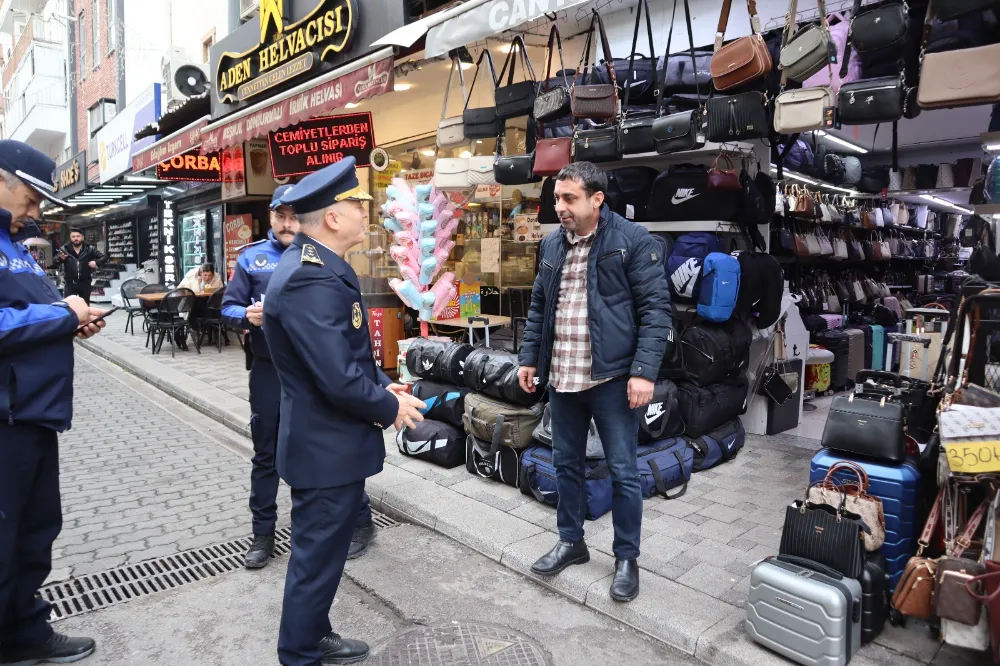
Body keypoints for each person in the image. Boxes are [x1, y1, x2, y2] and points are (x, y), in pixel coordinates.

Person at [263, 157, 426, 666]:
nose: (365, 212)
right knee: (316, 558)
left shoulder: (320, 267)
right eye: (357, 204)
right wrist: (389, 406)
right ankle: (300, 652)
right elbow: (335, 377)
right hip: (325, 447)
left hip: (328, 444)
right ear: (333, 217)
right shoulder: (310, 278)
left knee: (325, 554)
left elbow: (345, 353)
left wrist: (381, 382)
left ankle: (312, 635)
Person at [517, 162, 672, 603]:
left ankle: (626, 558)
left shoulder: (632, 241)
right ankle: (571, 541)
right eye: (557, 198)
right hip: (563, 374)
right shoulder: (552, 244)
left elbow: (657, 310)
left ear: (597, 199)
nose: (560, 206)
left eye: (570, 198)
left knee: (622, 471)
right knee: (565, 463)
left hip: (612, 378)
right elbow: (539, 307)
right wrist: (529, 359)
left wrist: (643, 372)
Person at [221, 186, 379, 570]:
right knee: (267, 451)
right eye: (281, 216)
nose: (288, 223)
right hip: (269, 370)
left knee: (337, 444)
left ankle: (359, 520)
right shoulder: (253, 258)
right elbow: (227, 307)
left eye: (294, 216)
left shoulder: (322, 258)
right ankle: (263, 533)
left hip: (318, 374)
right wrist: (246, 315)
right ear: (271, 216)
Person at [0, 139, 107, 664]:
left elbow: (29, 315)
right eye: (32, 198)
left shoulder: (16, 244)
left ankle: (23, 632)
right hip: (7, 419)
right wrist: (63, 314)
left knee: (33, 530)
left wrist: (69, 322)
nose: (37, 211)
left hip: (34, 414)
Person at [55, 227, 106, 304]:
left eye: (78, 236)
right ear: (70, 238)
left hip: (85, 283)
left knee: (85, 305)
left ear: (82, 237)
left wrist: (96, 262)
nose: (76, 238)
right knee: (69, 306)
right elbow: (55, 261)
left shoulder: (90, 249)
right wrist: (60, 258)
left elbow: (104, 257)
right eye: (73, 236)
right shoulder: (64, 249)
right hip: (70, 284)